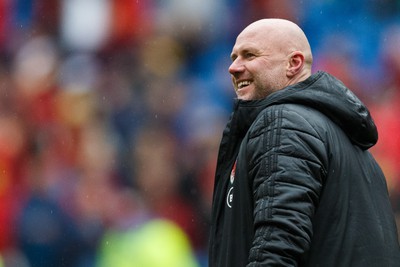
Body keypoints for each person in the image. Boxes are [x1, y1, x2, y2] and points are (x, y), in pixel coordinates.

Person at [208, 18, 400, 267]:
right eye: (234, 57)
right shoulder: (351, 145)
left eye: (249, 55)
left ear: (294, 63)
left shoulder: (284, 122)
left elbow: (278, 246)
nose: (233, 67)